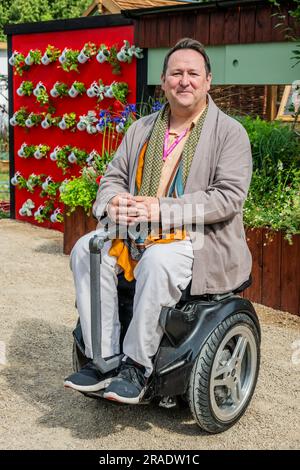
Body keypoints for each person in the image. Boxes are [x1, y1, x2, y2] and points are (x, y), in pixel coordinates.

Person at [64, 38, 252, 404]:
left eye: (193, 73)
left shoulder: (230, 133)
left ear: (208, 81)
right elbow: (111, 178)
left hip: (198, 237)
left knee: (159, 260)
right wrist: (114, 201)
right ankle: (104, 360)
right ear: (164, 82)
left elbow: (227, 197)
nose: (185, 80)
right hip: (135, 231)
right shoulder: (141, 129)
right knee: (87, 248)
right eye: (176, 73)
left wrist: (160, 210)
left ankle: (136, 365)